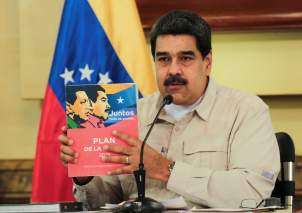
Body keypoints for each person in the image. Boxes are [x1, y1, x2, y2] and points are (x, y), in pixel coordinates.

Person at [59, 10, 280, 209]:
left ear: (207, 62)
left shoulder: (246, 111)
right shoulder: (130, 113)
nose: (173, 70)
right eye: (163, 59)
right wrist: (85, 177)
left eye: (185, 58)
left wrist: (165, 169)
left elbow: (252, 193)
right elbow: (104, 202)